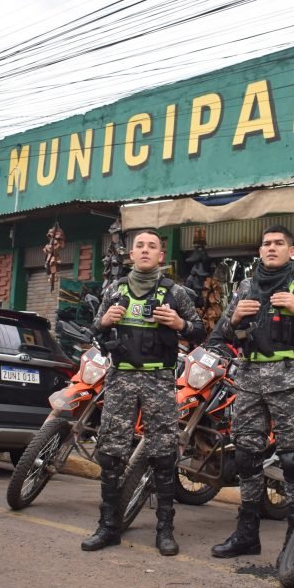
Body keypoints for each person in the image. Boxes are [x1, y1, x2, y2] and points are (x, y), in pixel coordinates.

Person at [210, 225, 294, 560]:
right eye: (266, 243)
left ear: (291, 249)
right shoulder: (245, 286)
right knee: (245, 454)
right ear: (259, 250)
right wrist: (235, 316)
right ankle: (246, 534)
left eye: (278, 243)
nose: (271, 248)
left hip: (288, 378)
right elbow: (221, 333)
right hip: (250, 377)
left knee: (293, 458)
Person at [81, 228, 206, 556]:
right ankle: (108, 527)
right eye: (141, 246)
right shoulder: (114, 289)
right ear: (131, 254)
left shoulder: (175, 293)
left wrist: (179, 324)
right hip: (121, 379)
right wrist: (105, 320)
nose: (147, 250)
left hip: (158, 380)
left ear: (161, 255)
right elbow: (94, 330)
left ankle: (165, 529)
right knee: (110, 455)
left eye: (153, 246)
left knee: (164, 455)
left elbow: (200, 332)